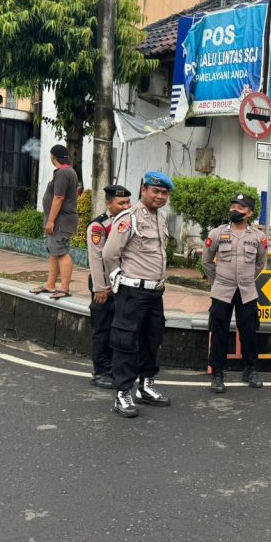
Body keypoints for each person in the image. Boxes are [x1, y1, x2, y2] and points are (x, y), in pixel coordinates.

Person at [101, 171, 174, 418]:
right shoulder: (128, 217)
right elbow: (109, 253)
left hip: (155, 292)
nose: (160, 196)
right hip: (132, 291)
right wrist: (118, 280)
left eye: (165, 193)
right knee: (126, 341)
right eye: (156, 191)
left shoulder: (161, 218)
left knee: (152, 339)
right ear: (143, 189)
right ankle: (122, 392)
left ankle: (146, 385)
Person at [202, 193, 268, 393]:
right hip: (222, 291)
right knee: (219, 331)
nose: (235, 210)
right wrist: (219, 282)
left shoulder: (258, 237)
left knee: (249, 332)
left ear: (250, 213)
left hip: (247, 291)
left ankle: (250, 370)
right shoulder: (217, 233)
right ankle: (217, 373)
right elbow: (206, 261)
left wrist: (246, 279)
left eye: (240, 208)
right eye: (233, 206)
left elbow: (260, 263)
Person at [85, 183, 132, 389]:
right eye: (121, 203)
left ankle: (114, 368)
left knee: (119, 329)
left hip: (123, 284)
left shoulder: (129, 222)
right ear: (108, 203)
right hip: (104, 286)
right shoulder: (99, 226)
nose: (125, 206)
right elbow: (96, 259)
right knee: (102, 331)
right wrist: (100, 288)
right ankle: (100, 372)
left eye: (128, 202)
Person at [30, 144, 80, 300]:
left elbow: (58, 198)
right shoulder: (67, 171)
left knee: (62, 252)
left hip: (61, 220)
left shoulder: (63, 173)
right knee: (54, 252)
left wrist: (51, 221)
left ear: (53, 158)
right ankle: (50, 285)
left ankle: (64, 288)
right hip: (60, 219)